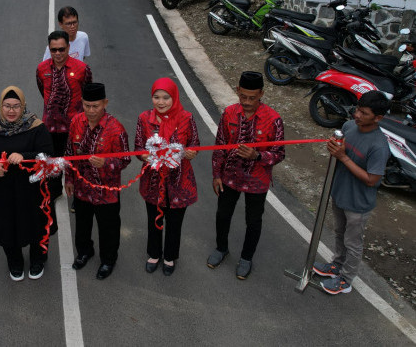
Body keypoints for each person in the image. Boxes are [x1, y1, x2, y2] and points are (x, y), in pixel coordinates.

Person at [207, 71, 285, 279]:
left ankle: (246, 258)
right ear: (237, 91)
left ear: (261, 93)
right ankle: (221, 248)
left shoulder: (274, 119)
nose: (247, 102)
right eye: (243, 97)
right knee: (223, 215)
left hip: (257, 180)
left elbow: (279, 153)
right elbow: (220, 145)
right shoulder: (229, 113)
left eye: (253, 98)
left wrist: (257, 155)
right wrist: (217, 174)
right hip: (229, 176)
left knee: (253, 221)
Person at [313, 91, 390, 295]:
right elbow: (338, 156)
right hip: (340, 194)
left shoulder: (379, 146)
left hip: (358, 203)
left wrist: (343, 156)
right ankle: (336, 265)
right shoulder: (348, 127)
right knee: (339, 233)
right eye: (357, 109)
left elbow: (372, 180)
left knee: (353, 242)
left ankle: (346, 280)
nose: (357, 115)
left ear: (378, 118)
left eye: (364, 113)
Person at [0, 86, 53, 281]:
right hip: (3, 189)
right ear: (1, 106)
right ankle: (14, 261)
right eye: (7, 106)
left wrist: (24, 156)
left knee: (35, 223)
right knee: (7, 225)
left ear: (23, 106)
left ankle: (38, 258)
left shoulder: (36, 127)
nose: (11, 111)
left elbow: (48, 155)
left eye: (16, 106)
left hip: (32, 189)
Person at [65, 83, 130, 280]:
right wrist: (69, 178)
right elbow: (69, 152)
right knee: (82, 224)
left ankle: (108, 260)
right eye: (87, 106)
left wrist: (106, 162)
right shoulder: (76, 122)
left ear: (105, 103)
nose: (91, 111)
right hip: (82, 187)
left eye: (96, 106)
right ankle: (84, 251)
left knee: (108, 227)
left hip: (107, 191)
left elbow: (126, 158)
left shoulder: (116, 129)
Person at [135, 78, 199, 276]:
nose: (161, 102)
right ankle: (154, 254)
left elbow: (195, 143)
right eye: (156, 97)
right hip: (154, 180)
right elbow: (138, 146)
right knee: (153, 218)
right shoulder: (145, 118)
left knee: (174, 222)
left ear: (175, 97)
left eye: (166, 98)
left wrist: (191, 152)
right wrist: (144, 156)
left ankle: (170, 257)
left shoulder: (186, 118)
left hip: (180, 182)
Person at [36, 30, 93, 233]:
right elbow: (43, 90)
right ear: (49, 49)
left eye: (61, 49)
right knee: (52, 166)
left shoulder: (82, 69)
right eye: (54, 50)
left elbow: (88, 95)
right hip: (50, 127)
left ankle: (78, 198)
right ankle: (54, 194)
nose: (58, 53)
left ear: (68, 48)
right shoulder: (42, 69)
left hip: (74, 128)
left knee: (76, 164)